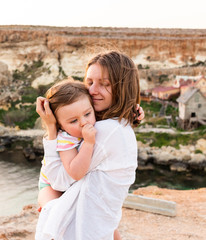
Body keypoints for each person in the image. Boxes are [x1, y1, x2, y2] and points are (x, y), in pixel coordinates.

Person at [35, 50, 142, 240]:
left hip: (57, 180)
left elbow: (62, 179)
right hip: (52, 183)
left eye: (105, 84)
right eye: (89, 82)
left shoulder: (105, 130)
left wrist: (51, 130)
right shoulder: (104, 121)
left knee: (54, 224)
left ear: (123, 88)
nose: (92, 91)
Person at [37, 78, 97, 209]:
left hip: (72, 185)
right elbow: (75, 172)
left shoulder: (90, 121)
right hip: (51, 185)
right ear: (61, 126)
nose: (83, 122)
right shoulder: (65, 139)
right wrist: (88, 143)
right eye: (73, 121)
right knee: (53, 211)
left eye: (87, 113)